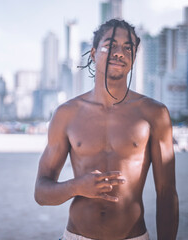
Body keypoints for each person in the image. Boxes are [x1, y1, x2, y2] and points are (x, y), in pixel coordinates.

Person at [34, 19, 179, 240]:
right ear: (93, 54)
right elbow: (41, 193)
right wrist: (77, 187)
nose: (119, 52)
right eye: (111, 45)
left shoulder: (154, 114)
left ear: (132, 59)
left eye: (127, 48)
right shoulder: (66, 114)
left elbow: (167, 193)